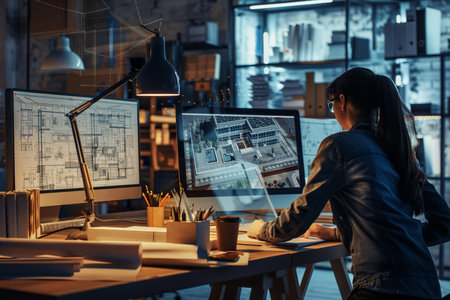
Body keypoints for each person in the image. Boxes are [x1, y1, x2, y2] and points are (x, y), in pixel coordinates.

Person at [247, 67, 450, 300]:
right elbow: (445, 224)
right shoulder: (399, 149)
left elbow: (298, 220)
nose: (333, 114)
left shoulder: (339, 146)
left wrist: (261, 229)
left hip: (380, 288)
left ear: (342, 101)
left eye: (331, 106)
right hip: (426, 286)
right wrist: (342, 234)